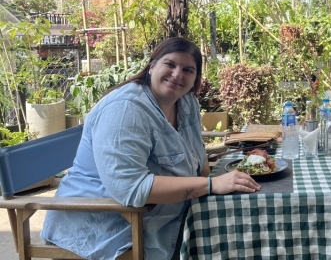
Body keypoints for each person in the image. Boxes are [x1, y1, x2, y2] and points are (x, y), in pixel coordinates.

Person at [41, 37, 260, 260]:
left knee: (244, 228)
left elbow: (198, 155)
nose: (177, 74)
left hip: (167, 214)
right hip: (107, 223)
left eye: (188, 69)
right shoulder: (126, 109)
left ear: (195, 78)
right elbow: (131, 189)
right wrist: (211, 184)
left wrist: (213, 187)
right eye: (170, 64)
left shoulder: (186, 102)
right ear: (152, 65)